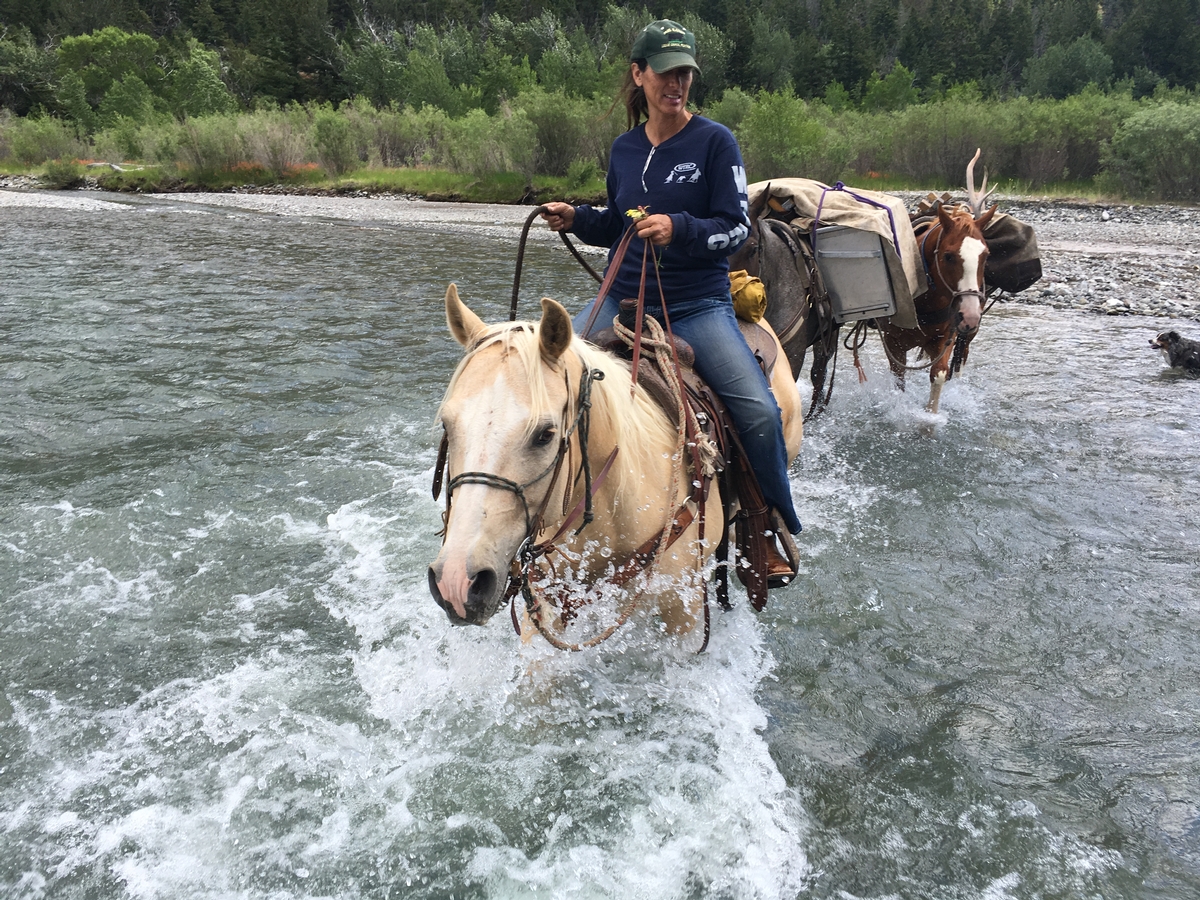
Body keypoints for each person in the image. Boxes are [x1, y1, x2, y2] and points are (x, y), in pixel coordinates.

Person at [540, 19, 801, 576]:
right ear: (640, 75)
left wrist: (679, 228)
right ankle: (539, 514)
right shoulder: (625, 148)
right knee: (550, 375)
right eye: (665, 73)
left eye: (684, 73)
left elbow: (737, 230)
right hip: (623, 296)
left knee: (758, 411)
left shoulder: (714, 141)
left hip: (696, 303)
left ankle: (767, 527)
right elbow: (616, 222)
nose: (676, 83)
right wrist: (577, 217)